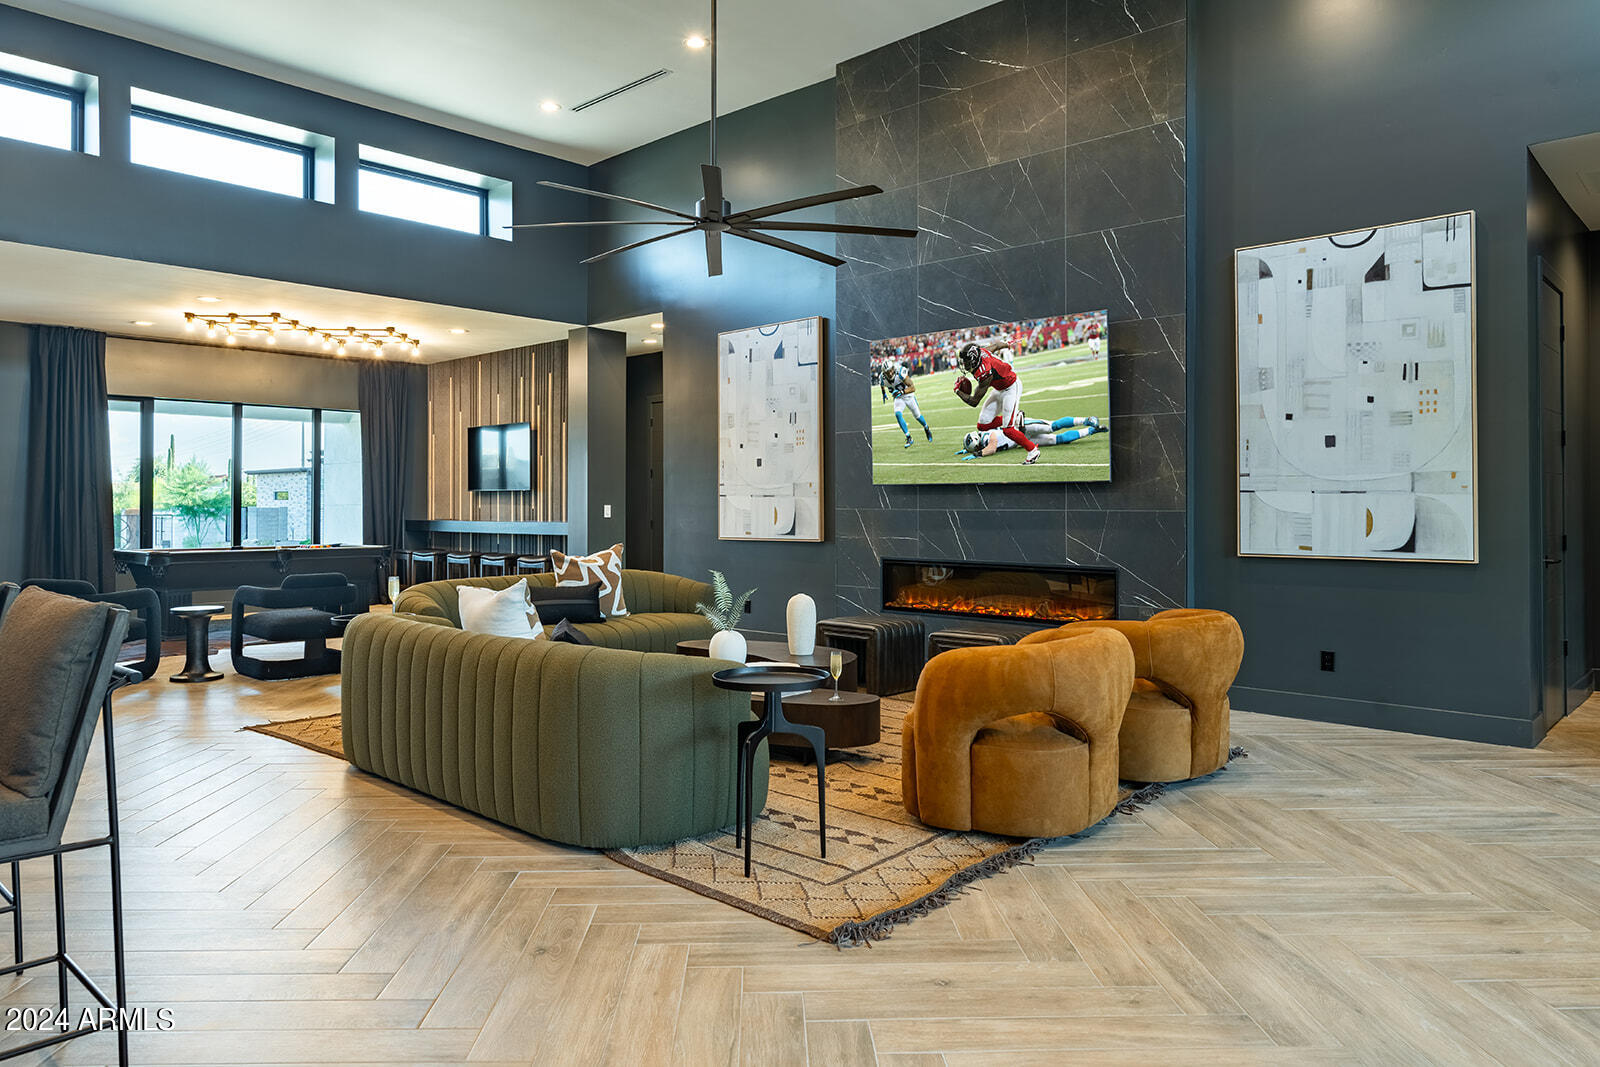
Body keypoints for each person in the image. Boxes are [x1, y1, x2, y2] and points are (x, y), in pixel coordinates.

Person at [952, 341, 1038, 463]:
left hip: (1011, 387)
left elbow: (974, 401)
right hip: (999, 388)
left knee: (1008, 430)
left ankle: (1032, 451)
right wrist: (1007, 344)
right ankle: (1017, 419)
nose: (963, 364)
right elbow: (996, 346)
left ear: (973, 359)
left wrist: (957, 391)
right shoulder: (981, 353)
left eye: (966, 361)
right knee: (983, 425)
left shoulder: (984, 372)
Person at [956, 415, 1103, 459]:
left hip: (1023, 427)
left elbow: (992, 448)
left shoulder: (989, 436)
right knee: (1057, 440)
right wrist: (967, 450)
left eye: (976, 446)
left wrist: (977, 454)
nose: (978, 448)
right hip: (1024, 440)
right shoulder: (984, 438)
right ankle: (1090, 431)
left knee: (1053, 426)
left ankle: (1086, 420)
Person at [880, 359, 933, 448]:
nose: (890, 373)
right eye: (887, 372)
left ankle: (926, 428)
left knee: (918, 416)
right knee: (898, 414)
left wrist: (902, 392)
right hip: (899, 398)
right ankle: (908, 437)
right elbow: (882, 384)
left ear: (893, 368)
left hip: (909, 396)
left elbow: (912, 387)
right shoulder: (882, 377)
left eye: (891, 370)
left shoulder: (900, 373)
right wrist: (883, 393)